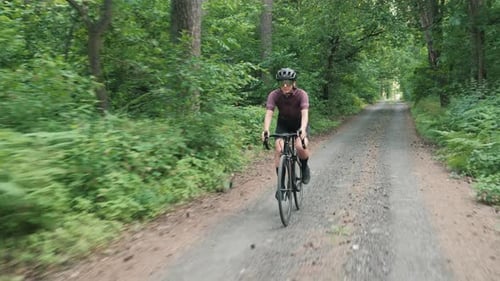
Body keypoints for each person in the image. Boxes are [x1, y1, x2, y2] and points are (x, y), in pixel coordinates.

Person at [261, 67, 311, 187]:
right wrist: (266, 129)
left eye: (288, 82)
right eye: (282, 83)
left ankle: (304, 168)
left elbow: (305, 113)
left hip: (299, 124)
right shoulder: (274, 95)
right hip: (283, 124)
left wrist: (303, 129)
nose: (285, 85)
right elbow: (269, 113)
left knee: (299, 146)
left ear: (293, 83)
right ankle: (281, 183)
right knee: (279, 150)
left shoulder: (301, 94)